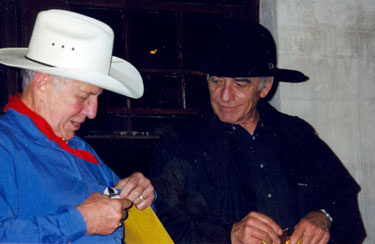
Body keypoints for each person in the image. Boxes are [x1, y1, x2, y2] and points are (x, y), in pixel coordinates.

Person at [149, 21, 366, 244]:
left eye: (239, 84)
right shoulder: (180, 142)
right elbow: (160, 227)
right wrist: (228, 235)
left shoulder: (298, 135)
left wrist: (324, 216)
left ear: (265, 87)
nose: (224, 96)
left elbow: (342, 194)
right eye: (216, 81)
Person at [0, 9, 155, 243]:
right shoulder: (5, 146)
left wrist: (141, 194)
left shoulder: (79, 148)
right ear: (42, 85)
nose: (92, 112)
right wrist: (79, 221)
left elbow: (125, 208)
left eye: (97, 98)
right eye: (83, 97)